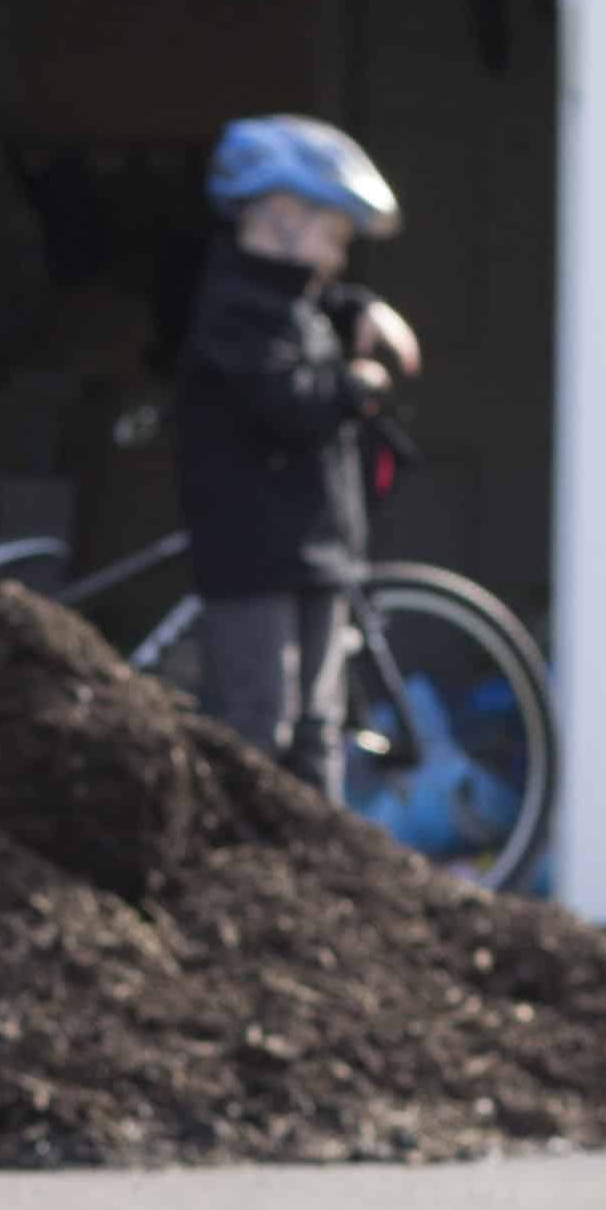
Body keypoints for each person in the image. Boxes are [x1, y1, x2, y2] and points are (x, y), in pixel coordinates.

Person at [174, 114, 422, 794]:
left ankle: (316, 890)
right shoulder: (230, 310)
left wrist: (364, 309)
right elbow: (286, 399)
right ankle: (241, 878)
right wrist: (355, 384)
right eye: (333, 236)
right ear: (280, 215)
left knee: (318, 731)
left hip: (314, 549)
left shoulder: (298, 304)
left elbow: (313, 312)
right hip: (253, 558)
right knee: (259, 727)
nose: (338, 257)